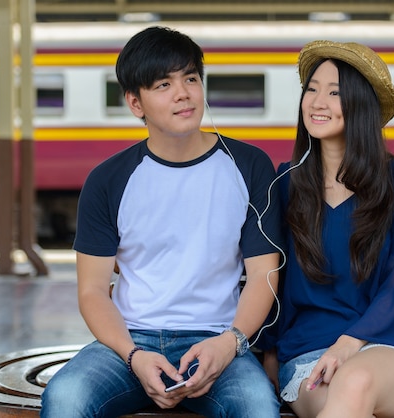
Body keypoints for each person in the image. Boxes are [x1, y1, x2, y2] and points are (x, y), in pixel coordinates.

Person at [40, 26, 283, 418]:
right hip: (127, 343)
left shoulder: (249, 166)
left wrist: (229, 344)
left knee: (257, 406)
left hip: (217, 339)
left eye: (190, 78)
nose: (183, 93)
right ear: (136, 103)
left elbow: (264, 275)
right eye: (163, 84)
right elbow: (92, 291)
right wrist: (134, 355)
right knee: (65, 399)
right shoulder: (108, 180)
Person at [259, 40, 394, 418]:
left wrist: (349, 344)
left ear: (361, 105)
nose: (317, 102)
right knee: (344, 401)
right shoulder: (286, 184)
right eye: (312, 90)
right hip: (308, 352)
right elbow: (274, 277)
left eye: (335, 93)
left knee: (354, 383)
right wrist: (270, 353)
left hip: (388, 347)